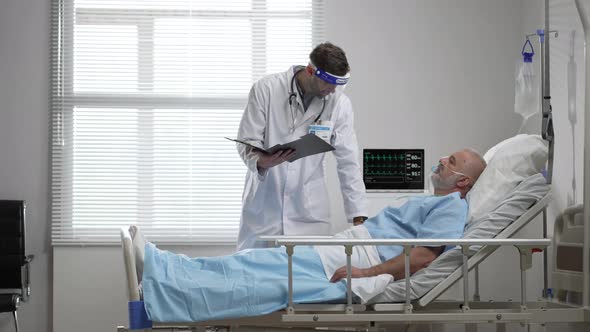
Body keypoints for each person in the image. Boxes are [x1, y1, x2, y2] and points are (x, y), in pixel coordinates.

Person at [131, 149, 486, 323]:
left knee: (256, 277)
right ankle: (165, 270)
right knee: (251, 265)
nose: (442, 160)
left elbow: (424, 256)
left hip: (356, 259)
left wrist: (364, 274)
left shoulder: (452, 206)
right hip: (346, 250)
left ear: (463, 182)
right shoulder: (433, 201)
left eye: (452, 161)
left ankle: (164, 277)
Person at [235, 42, 368, 250]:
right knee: (256, 276)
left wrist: (357, 216)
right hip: (265, 209)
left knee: (307, 277)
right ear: (310, 70)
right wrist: (262, 160)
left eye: (339, 84)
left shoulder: (339, 104)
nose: (333, 90)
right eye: (328, 83)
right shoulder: (266, 89)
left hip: (309, 214)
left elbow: (348, 162)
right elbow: (246, 141)